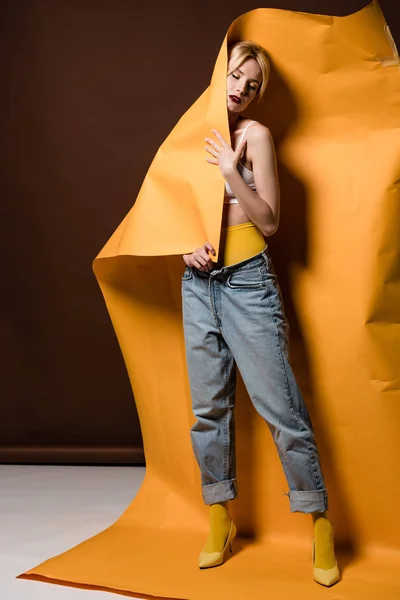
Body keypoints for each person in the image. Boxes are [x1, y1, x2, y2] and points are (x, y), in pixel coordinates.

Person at [181, 40, 340, 587]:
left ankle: (318, 521)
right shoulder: (192, 130)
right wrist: (185, 245)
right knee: (208, 409)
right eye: (235, 76)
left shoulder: (256, 137)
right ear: (219, 72)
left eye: (252, 85)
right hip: (198, 282)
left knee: (282, 410)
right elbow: (174, 204)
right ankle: (220, 517)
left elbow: (269, 221)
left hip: (248, 282)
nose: (240, 89)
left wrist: (232, 171)